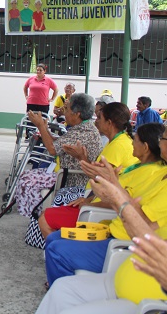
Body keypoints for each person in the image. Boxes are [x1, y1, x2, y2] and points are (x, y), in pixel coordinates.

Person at [44, 123, 167, 287]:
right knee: (53, 238)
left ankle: (66, 286)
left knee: (55, 248)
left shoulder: (153, 172)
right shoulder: (155, 171)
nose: (160, 142)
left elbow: (141, 219)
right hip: (108, 225)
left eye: (164, 139)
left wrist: (111, 190)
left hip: (120, 242)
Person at [36, 165, 167, 314]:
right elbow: (142, 228)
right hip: (121, 276)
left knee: (57, 249)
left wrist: (117, 200)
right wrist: (115, 195)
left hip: (143, 302)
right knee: (60, 288)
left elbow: (144, 228)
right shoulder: (158, 173)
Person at [38, 102, 142, 238]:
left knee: (46, 216)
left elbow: (100, 179)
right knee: (56, 202)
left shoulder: (119, 145)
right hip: (93, 196)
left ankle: (61, 250)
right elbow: (100, 176)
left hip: (97, 202)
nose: (96, 122)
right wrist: (81, 157)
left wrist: (81, 158)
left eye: (99, 118)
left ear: (109, 123)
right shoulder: (118, 141)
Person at [15, 93, 102, 218]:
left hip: (72, 177)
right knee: (26, 175)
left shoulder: (83, 132)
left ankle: (35, 218)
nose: (64, 112)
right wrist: (45, 129)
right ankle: (35, 216)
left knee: (27, 181)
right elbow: (59, 142)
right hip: (63, 172)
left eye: (67, 109)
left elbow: (52, 149)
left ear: (77, 114)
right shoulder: (82, 127)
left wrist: (40, 126)